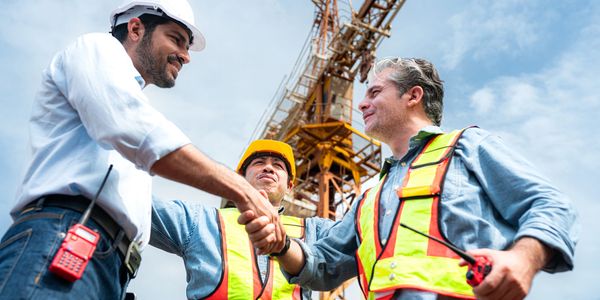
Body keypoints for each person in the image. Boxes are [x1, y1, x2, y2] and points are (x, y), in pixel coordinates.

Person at [0, 1, 283, 299]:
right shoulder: (96, 48)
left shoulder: (130, 99)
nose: (186, 56)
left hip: (107, 266)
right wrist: (243, 191)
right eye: (176, 39)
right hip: (65, 239)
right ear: (135, 28)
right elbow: (135, 130)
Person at [241, 57, 579, 300]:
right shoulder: (369, 200)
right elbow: (322, 267)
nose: (361, 104)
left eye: (374, 92)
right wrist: (282, 245)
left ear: (413, 96)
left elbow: (551, 206)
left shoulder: (466, 148)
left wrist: (524, 258)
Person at [151, 139, 334, 299]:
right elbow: (140, 205)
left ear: (290, 186)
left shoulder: (313, 230)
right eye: (259, 162)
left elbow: (358, 233)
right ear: (240, 178)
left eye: (278, 165)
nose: (268, 167)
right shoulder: (202, 221)